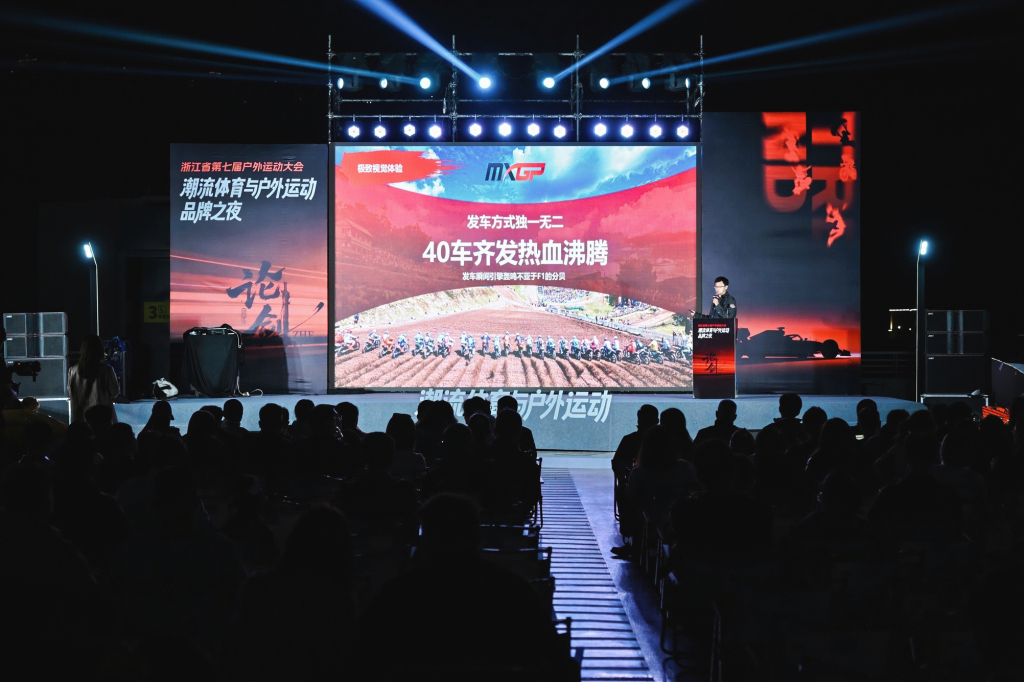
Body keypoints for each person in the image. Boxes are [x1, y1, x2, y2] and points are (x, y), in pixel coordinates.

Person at [353, 494, 573, 680]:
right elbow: (557, 661)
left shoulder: (396, 596)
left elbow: (359, 658)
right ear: (477, 538)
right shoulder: (514, 592)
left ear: (425, 541)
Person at [68, 335, 119, 423]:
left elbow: (71, 393)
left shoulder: (72, 371)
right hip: (101, 418)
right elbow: (114, 393)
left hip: (80, 419)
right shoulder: (106, 370)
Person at [611, 405, 659, 484]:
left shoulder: (628, 439)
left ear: (639, 421)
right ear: (657, 421)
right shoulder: (662, 440)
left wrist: (623, 482)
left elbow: (617, 464)